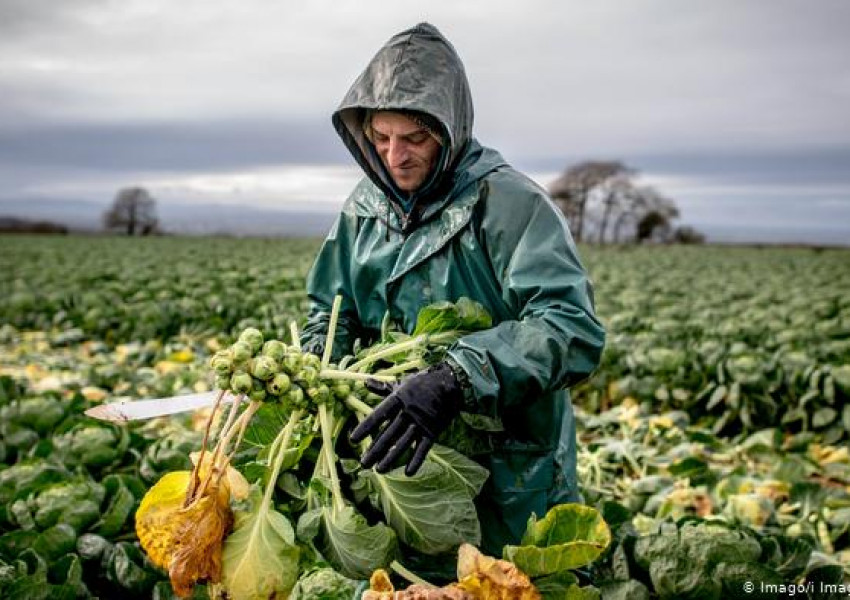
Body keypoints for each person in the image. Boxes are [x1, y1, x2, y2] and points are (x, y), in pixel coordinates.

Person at [301, 22, 605, 558]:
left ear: (449, 128)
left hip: (508, 473)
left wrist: (456, 377)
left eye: (414, 138)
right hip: (399, 462)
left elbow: (570, 328)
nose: (396, 156)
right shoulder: (362, 211)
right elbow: (330, 312)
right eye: (381, 138)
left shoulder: (510, 204)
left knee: (510, 583)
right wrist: (315, 368)